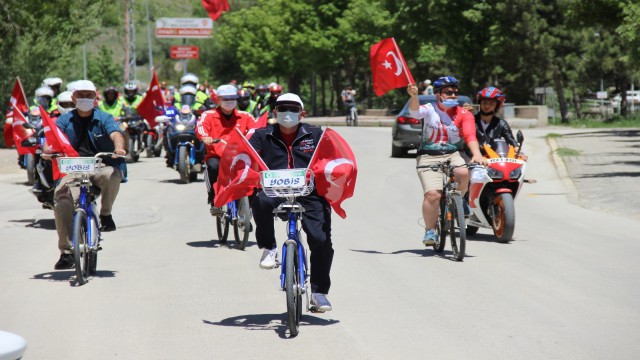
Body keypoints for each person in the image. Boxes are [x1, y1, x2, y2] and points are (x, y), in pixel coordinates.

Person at [248, 93, 334, 312]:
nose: (287, 113)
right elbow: (245, 158)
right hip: (274, 188)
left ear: (302, 113)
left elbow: (331, 161)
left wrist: (319, 172)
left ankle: (318, 292)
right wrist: (252, 173)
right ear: (274, 112)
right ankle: (269, 247)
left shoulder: (316, 135)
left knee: (320, 239)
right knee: (261, 202)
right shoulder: (261, 135)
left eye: (293, 109)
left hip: (308, 190)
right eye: (282, 108)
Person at [42, 80, 127, 270]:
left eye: (89, 95)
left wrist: (119, 148)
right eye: (80, 95)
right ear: (73, 98)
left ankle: (105, 215)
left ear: (95, 96)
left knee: (113, 174)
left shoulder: (104, 117)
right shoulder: (64, 120)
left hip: (99, 164)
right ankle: (66, 253)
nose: (85, 98)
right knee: (62, 201)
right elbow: (52, 139)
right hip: (71, 168)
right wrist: (46, 150)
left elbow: (116, 134)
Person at [407, 76, 487, 246]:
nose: (453, 96)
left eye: (455, 93)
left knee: (463, 172)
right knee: (433, 194)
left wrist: (476, 154)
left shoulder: (464, 114)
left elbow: (470, 135)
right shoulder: (429, 109)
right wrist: (413, 96)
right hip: (428, 155)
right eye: (448, 92)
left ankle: (460, 198)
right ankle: (430, 230)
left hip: (453, 153)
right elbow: (414, 112)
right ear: (438, 95)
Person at [196, 84, 254, 214]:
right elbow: (201, 127)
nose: (229, 102)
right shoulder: (208, 115)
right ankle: (214, 200)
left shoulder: (245, 116)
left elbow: (257, 130)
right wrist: (205, 137)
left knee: (253, 174)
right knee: (212, 167)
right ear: (218, 99)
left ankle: (248, 207)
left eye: (232, 98)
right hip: (217, 155)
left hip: (239, 155)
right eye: (226, 99)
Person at [473, 87, 527, 160]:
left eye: (491, 103)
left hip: (495, 160)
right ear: (480, 102)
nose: (487, 106)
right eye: (484, 102)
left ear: (497, 105)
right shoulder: (471, 120)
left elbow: (511, 140)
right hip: (474, 158)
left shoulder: (501, 123)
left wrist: (519, 152)